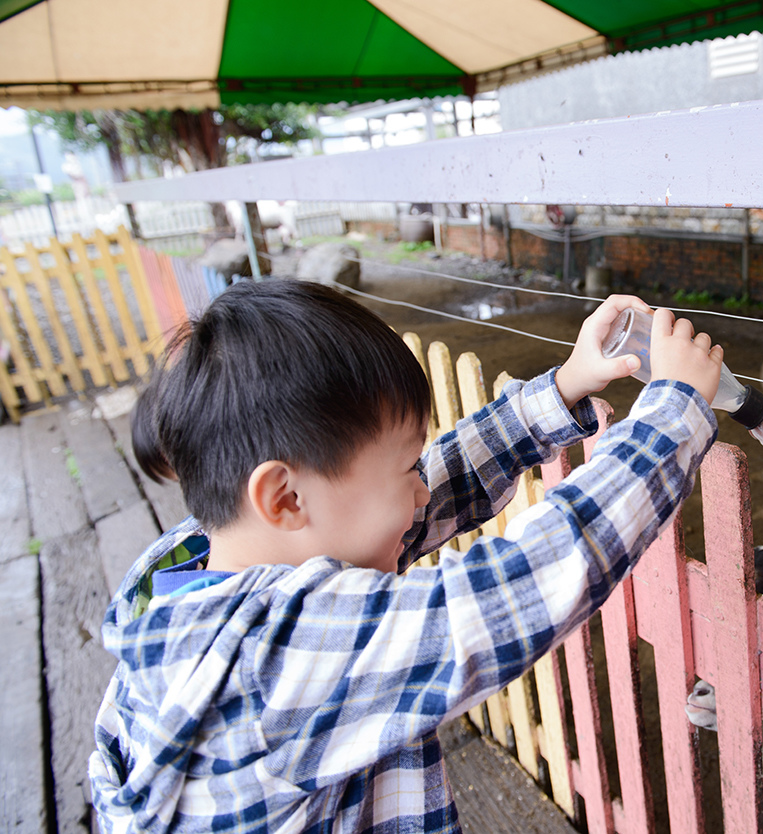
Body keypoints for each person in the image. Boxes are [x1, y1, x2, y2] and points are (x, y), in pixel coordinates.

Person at [89, 280, 724, 833]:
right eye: (405, 468)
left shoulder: (201, 573)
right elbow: (520, 589)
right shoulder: (269, 663)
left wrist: (563, 388)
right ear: (284, 496)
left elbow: (428, 490)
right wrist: (673, 413)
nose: (421, 490)